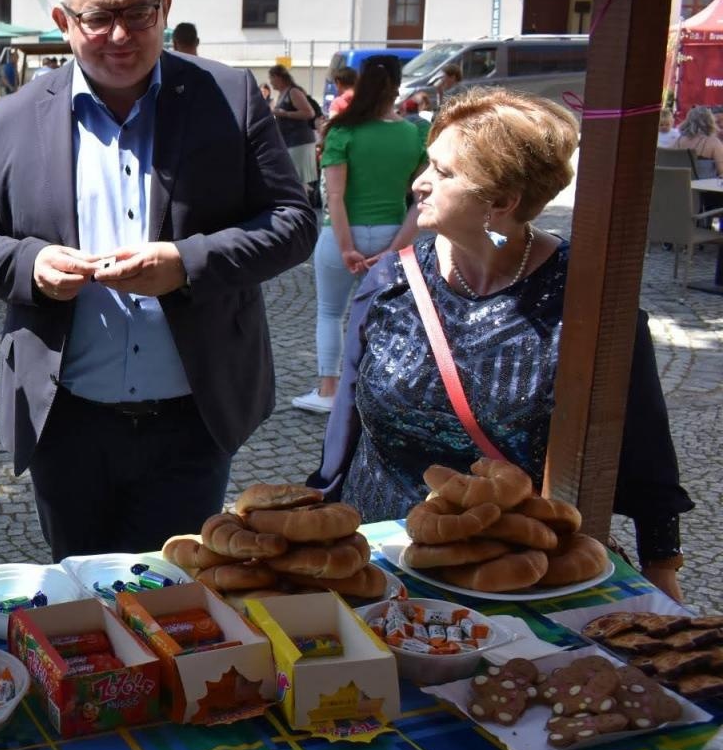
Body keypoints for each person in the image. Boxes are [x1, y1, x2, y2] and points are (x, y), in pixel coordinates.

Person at [0, 0, 316, 560]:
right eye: (98, 17)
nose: (119, 35)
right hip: (65, 421)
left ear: (164, 8)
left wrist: (188, 264)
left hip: (191, 418)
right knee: (80, 590)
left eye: (138, 13)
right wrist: (31, 265)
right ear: (64, 21)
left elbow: (294, 221)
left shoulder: (228, 96)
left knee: (173, 593)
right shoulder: (12, 119)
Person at [311, 88, 692, 601]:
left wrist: (662, 566)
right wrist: (321, 523)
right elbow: (344, 423)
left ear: (502, 201)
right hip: (381, 558)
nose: (419, 182)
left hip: (507, 572)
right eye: (428, 162)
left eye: (442, 172)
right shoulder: (391, 282)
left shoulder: (586, 302)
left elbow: (645, 441)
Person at [292, 55, 426, 415]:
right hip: (392, 232)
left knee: (330, 312)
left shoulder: (342, 131)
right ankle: (379, 391)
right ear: (398, 86)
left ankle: (328, 390)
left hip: (340, 234)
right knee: (387, 316)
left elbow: (334, 197)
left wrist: (347, 247)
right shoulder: (414, 133)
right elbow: (421, 200)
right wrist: (395, 248)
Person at [268, 65, 319, 190]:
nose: (270, 82)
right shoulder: (282, 94)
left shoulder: (293, 92)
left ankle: (304, 199)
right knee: (294, 179)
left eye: (271, 78)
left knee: (300, 180)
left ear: (278, 77)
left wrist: (285, 114)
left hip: (299, 142)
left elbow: (309, 113)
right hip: (289, 142)